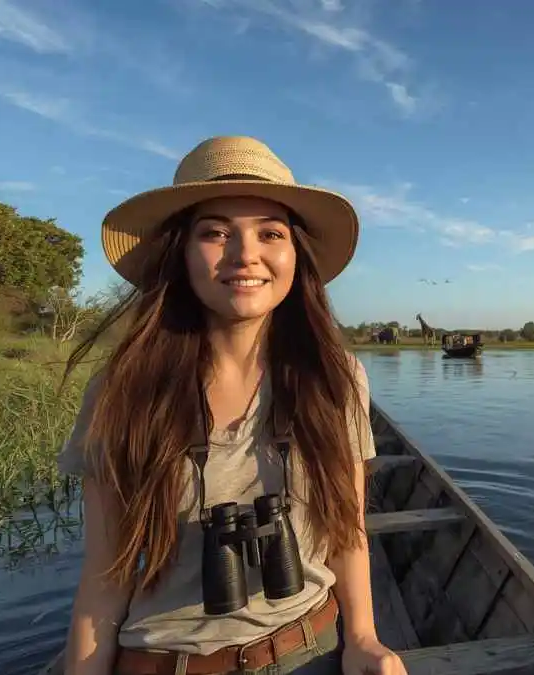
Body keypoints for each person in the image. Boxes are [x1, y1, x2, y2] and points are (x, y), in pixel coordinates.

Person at [56, 136, 408, 675]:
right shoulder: (122, 392)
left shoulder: (336, 380)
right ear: (180, 253)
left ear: (296, 257)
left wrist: (363, 638)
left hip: (310, 651)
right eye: (216, 233)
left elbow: (347, 529)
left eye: (270, 233)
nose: (246, 255)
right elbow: (105, 580)